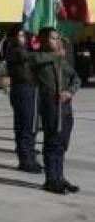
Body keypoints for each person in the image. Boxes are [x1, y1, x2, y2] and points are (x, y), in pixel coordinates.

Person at [31, 27, 81, 194]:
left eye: (57, 38)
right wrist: (56, 54)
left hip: (65, 104)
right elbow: (35, 61)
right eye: (53, 38)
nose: (57, 41)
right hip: (51, 104)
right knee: (52, 141)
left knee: (62, 143)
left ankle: (60, 177)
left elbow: (76, 78)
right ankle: (51, 179)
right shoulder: (37, 57)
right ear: (44, 40)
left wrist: (70, 91)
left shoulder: (61, 60)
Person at [5, 26, 41, 173]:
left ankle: (30, 156)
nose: (23, 39)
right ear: (13, 38)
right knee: (25, 126)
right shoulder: (14, 50)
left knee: (32, 125)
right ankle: (25, 161)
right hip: (22, 89)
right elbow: (30, 57)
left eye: (23, 36)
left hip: (31, 89)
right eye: (20, 36)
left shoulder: (23, 50)